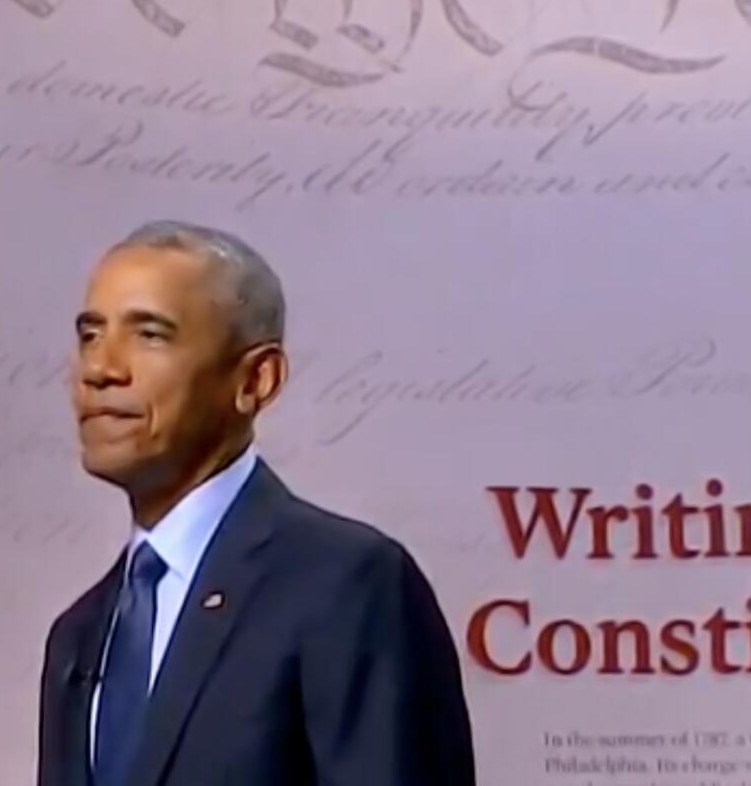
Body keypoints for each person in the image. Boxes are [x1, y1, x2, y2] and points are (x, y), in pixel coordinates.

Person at [36, 220, 476, 786]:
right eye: (90, 335)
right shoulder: (79, 633)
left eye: (149, 334)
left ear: (255, 380)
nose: (100, 369)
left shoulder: (345, 585)